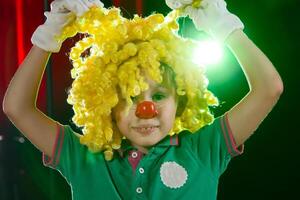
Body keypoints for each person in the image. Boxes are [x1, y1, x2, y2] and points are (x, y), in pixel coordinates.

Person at [2, 0, 283, 199]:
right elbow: (17, 108)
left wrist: (224, 26)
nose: (146, 110)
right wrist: (49, 36)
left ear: (181, 101)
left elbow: (269, 88)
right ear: (107, 105)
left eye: (159, 95)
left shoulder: (204, 149)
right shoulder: (82, 157)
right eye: (129, 96)